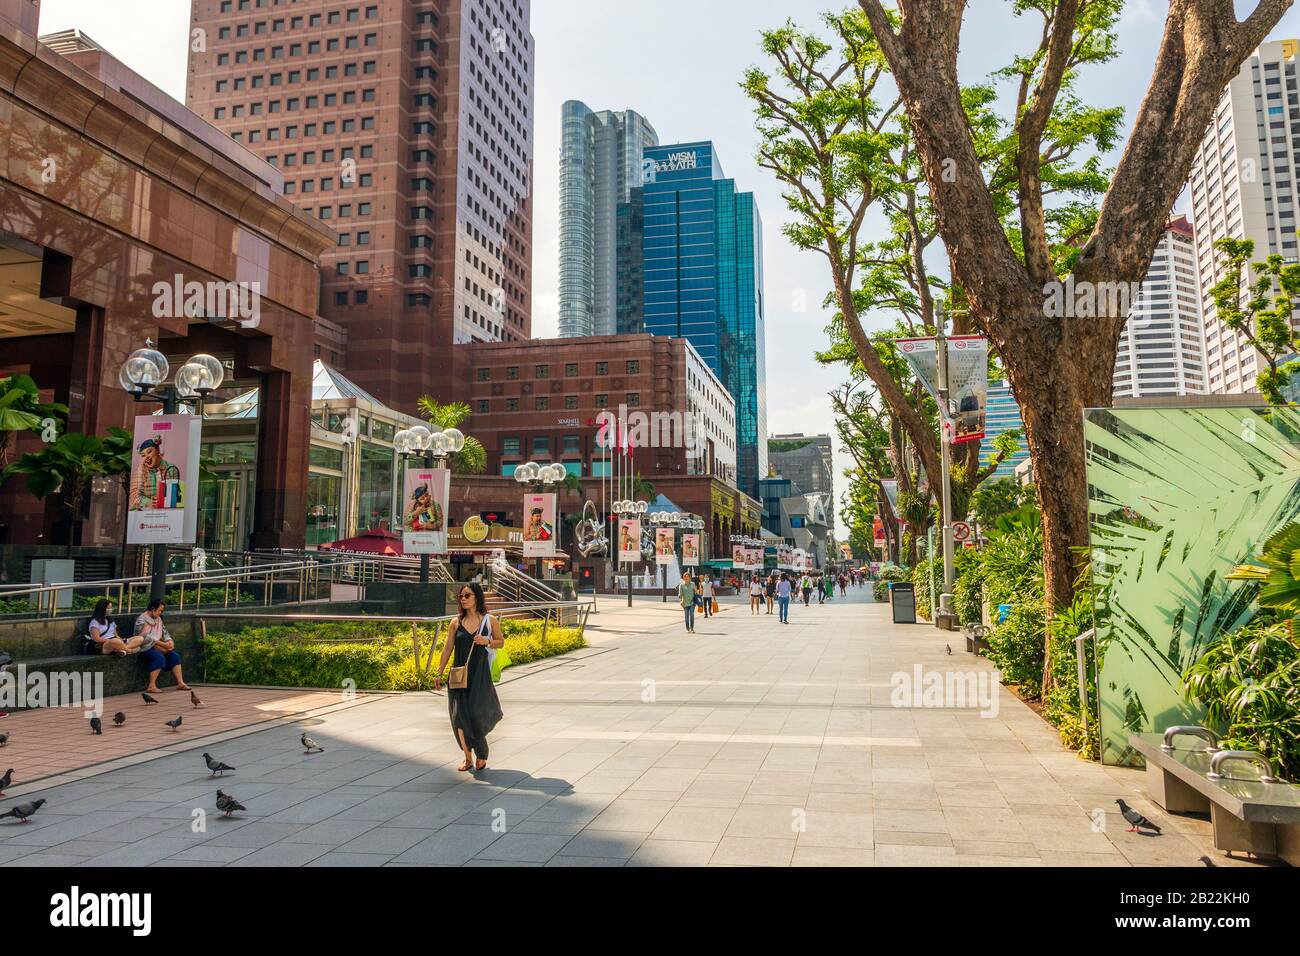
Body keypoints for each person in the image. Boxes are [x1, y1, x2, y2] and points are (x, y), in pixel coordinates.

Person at [433, 583, 505, 772]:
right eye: (461, 596)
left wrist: (487, 641)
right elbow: (448, 648)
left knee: (476, 715)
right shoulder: (455, 622)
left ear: (477, 597)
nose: (463, 599)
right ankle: (467, 758)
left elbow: (501, 642)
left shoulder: (489, 621)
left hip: (480, 675)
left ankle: (481, 752)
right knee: (458, 717)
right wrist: (439, 672)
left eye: (467, 595)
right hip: (458, 675)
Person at [135, 601, 189, 693]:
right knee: (159, 658)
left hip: (157, 645)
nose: (160, 613)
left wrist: (169, 641)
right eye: (160, 610)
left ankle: (180, 683)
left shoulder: (158, 619)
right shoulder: (141, 619)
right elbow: (143, 637)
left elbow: (165, 633)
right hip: (145, 647)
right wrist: (162, 644)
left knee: (174, 656)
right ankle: (151, 686)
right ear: (153, 609)